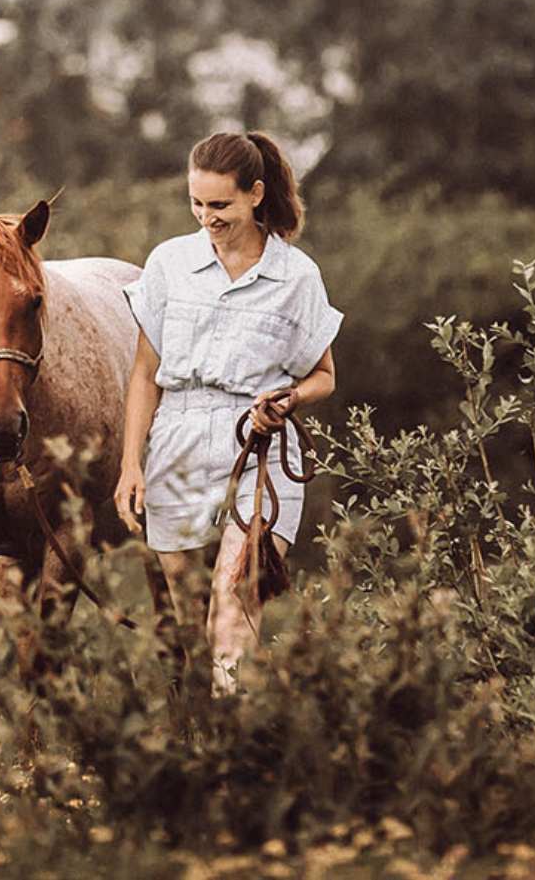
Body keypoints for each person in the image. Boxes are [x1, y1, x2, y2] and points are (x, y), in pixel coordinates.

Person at [114, 129, 343, 691]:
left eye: (220, 205)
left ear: (256, 193)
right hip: (178, 439)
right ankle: (203, 736)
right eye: (196, 203)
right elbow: (145, 374)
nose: (206, 217)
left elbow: (324, 377)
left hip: (259, 445)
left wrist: (286, 399)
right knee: (190, 615)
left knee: (235, 597)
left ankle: (234, 737)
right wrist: (131, 465)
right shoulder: (168, 263)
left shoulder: (297, 276)